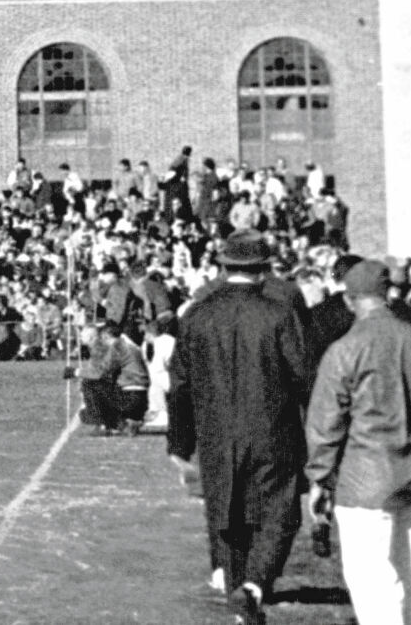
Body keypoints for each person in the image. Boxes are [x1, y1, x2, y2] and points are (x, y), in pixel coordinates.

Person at [168, 229, 312, 625]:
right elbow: (304, 377)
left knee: (227, 515)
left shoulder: (197, 315)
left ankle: (240, 593)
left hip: (215, 432)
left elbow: (179, 384)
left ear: (223, 265)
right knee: (278, 513)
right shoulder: (278, 314)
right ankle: (253, 587)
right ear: (264, 269)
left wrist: (179, 441)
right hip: (273, 429)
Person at [306, 259, 411, 625]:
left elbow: (325, 424)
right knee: (408, 576)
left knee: (373, 580)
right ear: (389, 294)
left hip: (362, 478)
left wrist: (320, 477)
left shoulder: (344, 350)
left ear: (349, 299)